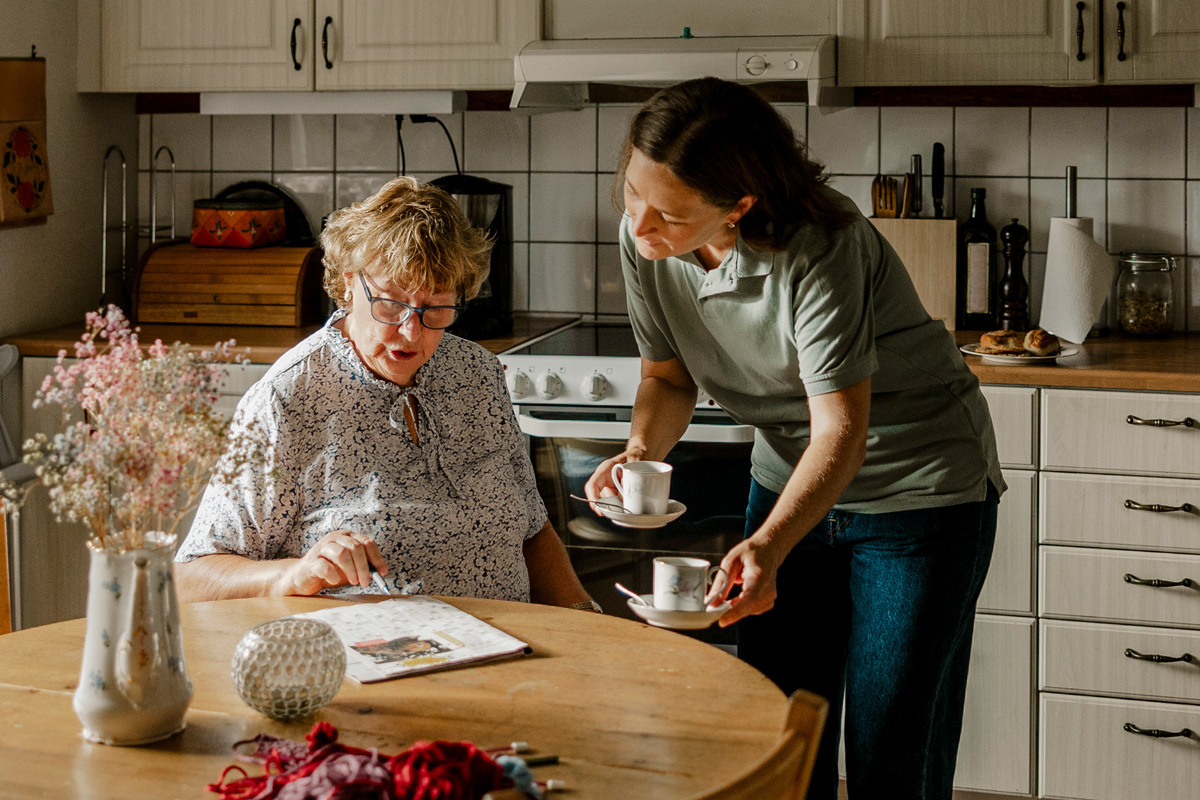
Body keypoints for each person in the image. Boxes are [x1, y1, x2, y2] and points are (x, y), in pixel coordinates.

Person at [584, 78, 1004, 799]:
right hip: (788, 482)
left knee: (888, 750)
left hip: (918, 491)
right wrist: (639, 451)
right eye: (632, 194)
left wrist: (769, 547)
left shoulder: (821, 243)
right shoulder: (643, 241)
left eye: (672, 214)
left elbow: (842, 427)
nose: (643, 225)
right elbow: (668, 377)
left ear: (739, 204)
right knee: (781, 731)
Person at [177, 176, 598, 615]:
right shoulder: (288, 399)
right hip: (374, 669)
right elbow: (191, 578)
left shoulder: (477, 374)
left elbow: (532, 531)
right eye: (391, 303)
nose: (411, 331)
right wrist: (291, 574)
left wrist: (587, 623)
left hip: (516, 656)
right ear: (348, 285)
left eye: (435, 306)